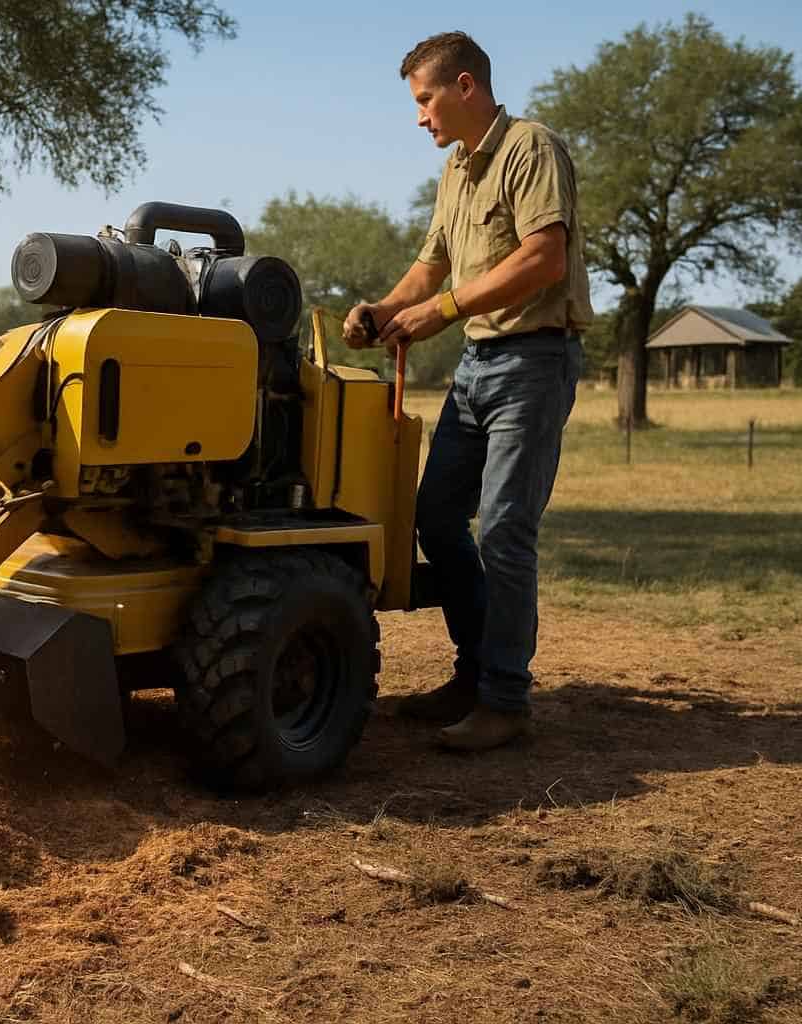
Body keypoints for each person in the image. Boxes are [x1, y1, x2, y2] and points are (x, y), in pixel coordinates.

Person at [343, 31, 593, 752]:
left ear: (464, 86)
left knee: (506, 529)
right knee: (436, 517)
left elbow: (544, 258)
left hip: (534, 362)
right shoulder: (455, 170)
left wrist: (444, 310)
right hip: (478, 366)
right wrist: (384, 310)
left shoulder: (531, 148)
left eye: (425, 99)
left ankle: (506, 702)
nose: (420, 115)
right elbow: (430, 268)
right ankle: (475, 673)